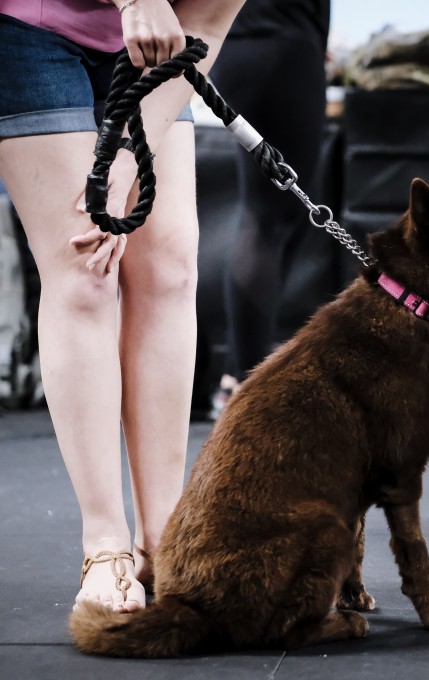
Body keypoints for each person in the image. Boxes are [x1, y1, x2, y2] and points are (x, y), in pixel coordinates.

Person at [0, 0, 244, 612]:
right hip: (26, 27)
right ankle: (104, 544)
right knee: (85, 270)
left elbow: (206, 25)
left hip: (155, 46)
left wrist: (123, 160)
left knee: (168, 270)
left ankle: (164, 538)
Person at [207, 0, 330, 418]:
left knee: (281, 215)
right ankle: (244, 379)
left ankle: (236, 372)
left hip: (242, 44)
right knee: (268, 218)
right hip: (282, 42)